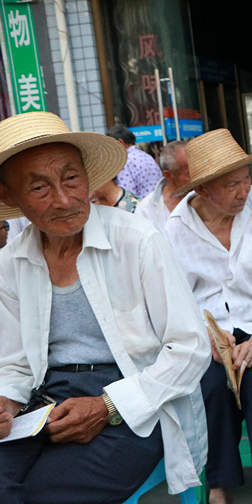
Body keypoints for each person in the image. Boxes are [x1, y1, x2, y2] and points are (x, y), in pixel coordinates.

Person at [0, 111, 210, 503]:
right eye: (40, 188)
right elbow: (16, 364)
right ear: (9, 197)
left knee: (46, 495)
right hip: (46, 398)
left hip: (135, 395)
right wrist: (6, 402)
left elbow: (190, 348)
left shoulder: (137, 240)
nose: (64, 199)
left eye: (71, 178)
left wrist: (107, 405)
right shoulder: (11, 263)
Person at [164, 129, 252, 504]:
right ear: (202, 190)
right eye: (231, 185)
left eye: (246, 178)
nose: (244, 191)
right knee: (210, 387)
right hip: (209, 332)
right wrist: (208, 338)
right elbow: (178, 297)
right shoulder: (177, 226)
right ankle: (219, 487)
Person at [137, 139, 191, 233]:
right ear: (168, 175)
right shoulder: (146, 209)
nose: (196, 176)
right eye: (189, 174)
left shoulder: (207, 197)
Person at [106, 124, 162, 198]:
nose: (110, 152)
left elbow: (127, 196)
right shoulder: (147, 157)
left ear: (120, 143)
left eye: (110, 147)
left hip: (141, 204)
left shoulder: (124, 162)